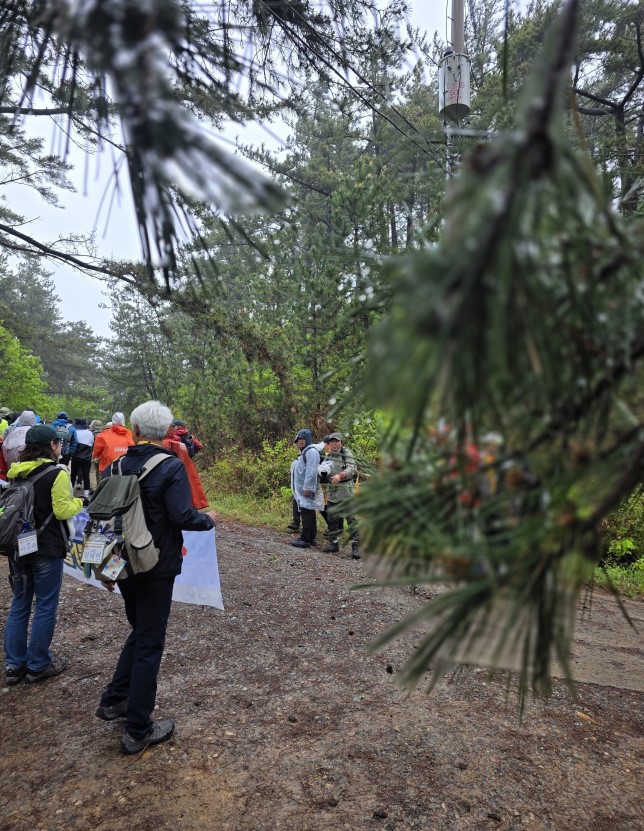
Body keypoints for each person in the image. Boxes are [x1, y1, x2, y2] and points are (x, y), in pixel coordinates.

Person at [95, 400, 217, 755]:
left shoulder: (115, 464)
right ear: (166, 432)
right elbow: (182, 515)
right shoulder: (169, 466)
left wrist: (102, 565)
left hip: (121, 561)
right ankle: (138, 729)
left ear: (134, 428)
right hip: (155, 564)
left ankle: (114, 700)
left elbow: (105, 515)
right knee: (150, 640)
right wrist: (208, 521)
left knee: (140, 631)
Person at [3, 425, 84, 685]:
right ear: (51, 446)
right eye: (58, 443)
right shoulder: (56, 473)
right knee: (45, 605)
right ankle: (38, 664)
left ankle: (14, 665)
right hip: (46, 548)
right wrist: (81, 502)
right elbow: (62, 511)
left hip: (18, 547)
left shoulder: (16, 472)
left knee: (20, 603)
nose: (61, 447)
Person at [321, 433, 360, 559]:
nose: (334, 444)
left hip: (346, 492)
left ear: (341, 442)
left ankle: (356, 548)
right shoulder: (329, 455)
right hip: (332, 492)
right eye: (332, 441)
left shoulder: (347, 454)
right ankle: (334, 544)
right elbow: (324, 469)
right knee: (332, 519)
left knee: (351, 520)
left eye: (336, 441)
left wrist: (340, 475)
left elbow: (352, 469)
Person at [290, 429, 323, 549]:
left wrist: (308, 486)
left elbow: (311, 470)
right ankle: (311, 537)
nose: (300, 442)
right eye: (298, 440)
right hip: (303, 489)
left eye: (303, 439)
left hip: (307, 489)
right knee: (309, 511)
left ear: (308, 440)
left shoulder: (311, 452)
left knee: (306, 512)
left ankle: (305, 539)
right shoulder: (304, 452)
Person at [163, 427, 209, 509]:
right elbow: (199, 445)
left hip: (174, 467)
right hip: (187, 462)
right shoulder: (188, 436)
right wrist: (191, 454)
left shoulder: (170, 440)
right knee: (191, 486)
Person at [71, 418, 95, 498]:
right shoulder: (89, 433)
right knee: (86, 475)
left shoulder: (74, 432)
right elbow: (91, 443)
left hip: (76, 457)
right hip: (87, 457)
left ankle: (71, 493)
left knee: (73, 475)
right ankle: (86, 494)